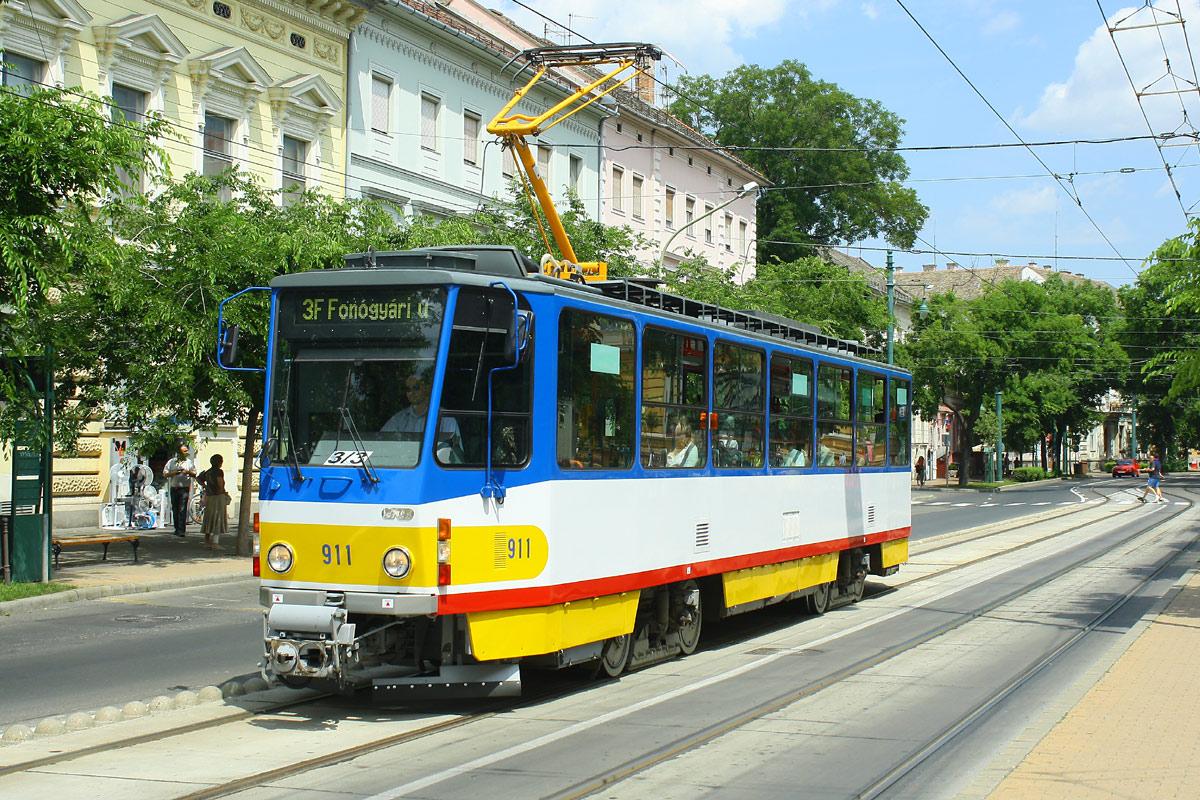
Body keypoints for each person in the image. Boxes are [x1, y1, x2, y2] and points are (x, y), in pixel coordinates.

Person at [382, 374, 461, 453]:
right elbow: (382, 442)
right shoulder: (398, 419)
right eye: (408, 389)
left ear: (427, 388)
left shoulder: (445, 418)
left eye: (416, 387)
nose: (411, 392)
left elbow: (453, 452)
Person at [163, 441, 196, 537]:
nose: (185, 453)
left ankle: (181, 530)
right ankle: (177, 528)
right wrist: (174, 473)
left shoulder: (189, 463)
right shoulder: (172, 462)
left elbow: (194, 474)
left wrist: (187, 472)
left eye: (186, 451)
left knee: (182, 509)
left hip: (184, 488)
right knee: (175, 508)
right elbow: (165, 474)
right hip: (174, 488)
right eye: (183, 451)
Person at [200, 453, 230, 550]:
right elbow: (220, 483)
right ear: (220, 462)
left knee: (209, 518)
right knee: (218, 518)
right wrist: (222, 490)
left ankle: (206, 542)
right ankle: (215, 543)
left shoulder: (208, 472)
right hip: (218, 497)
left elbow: (199, 478)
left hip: (210, 496)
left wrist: (206, 486)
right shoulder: (219, 472)